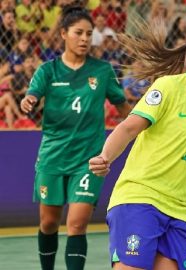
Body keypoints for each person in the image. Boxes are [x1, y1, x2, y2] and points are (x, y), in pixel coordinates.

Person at [89, 20, 186, 270]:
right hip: (140, 198)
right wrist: (106, 156)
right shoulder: (169, 87)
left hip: (179, 214)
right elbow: (129, 127)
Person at [20, 5, 131, 270]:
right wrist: (29, 99)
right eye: (78, 33)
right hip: (53, 157)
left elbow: (124, 107)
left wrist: (147, 120)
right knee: (48, 223)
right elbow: (32, 93)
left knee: (77, 224)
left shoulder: (102, 71)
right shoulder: (48, 71)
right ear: (63, 34)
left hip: (88, 159)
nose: (84, 38)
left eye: (88, 33)